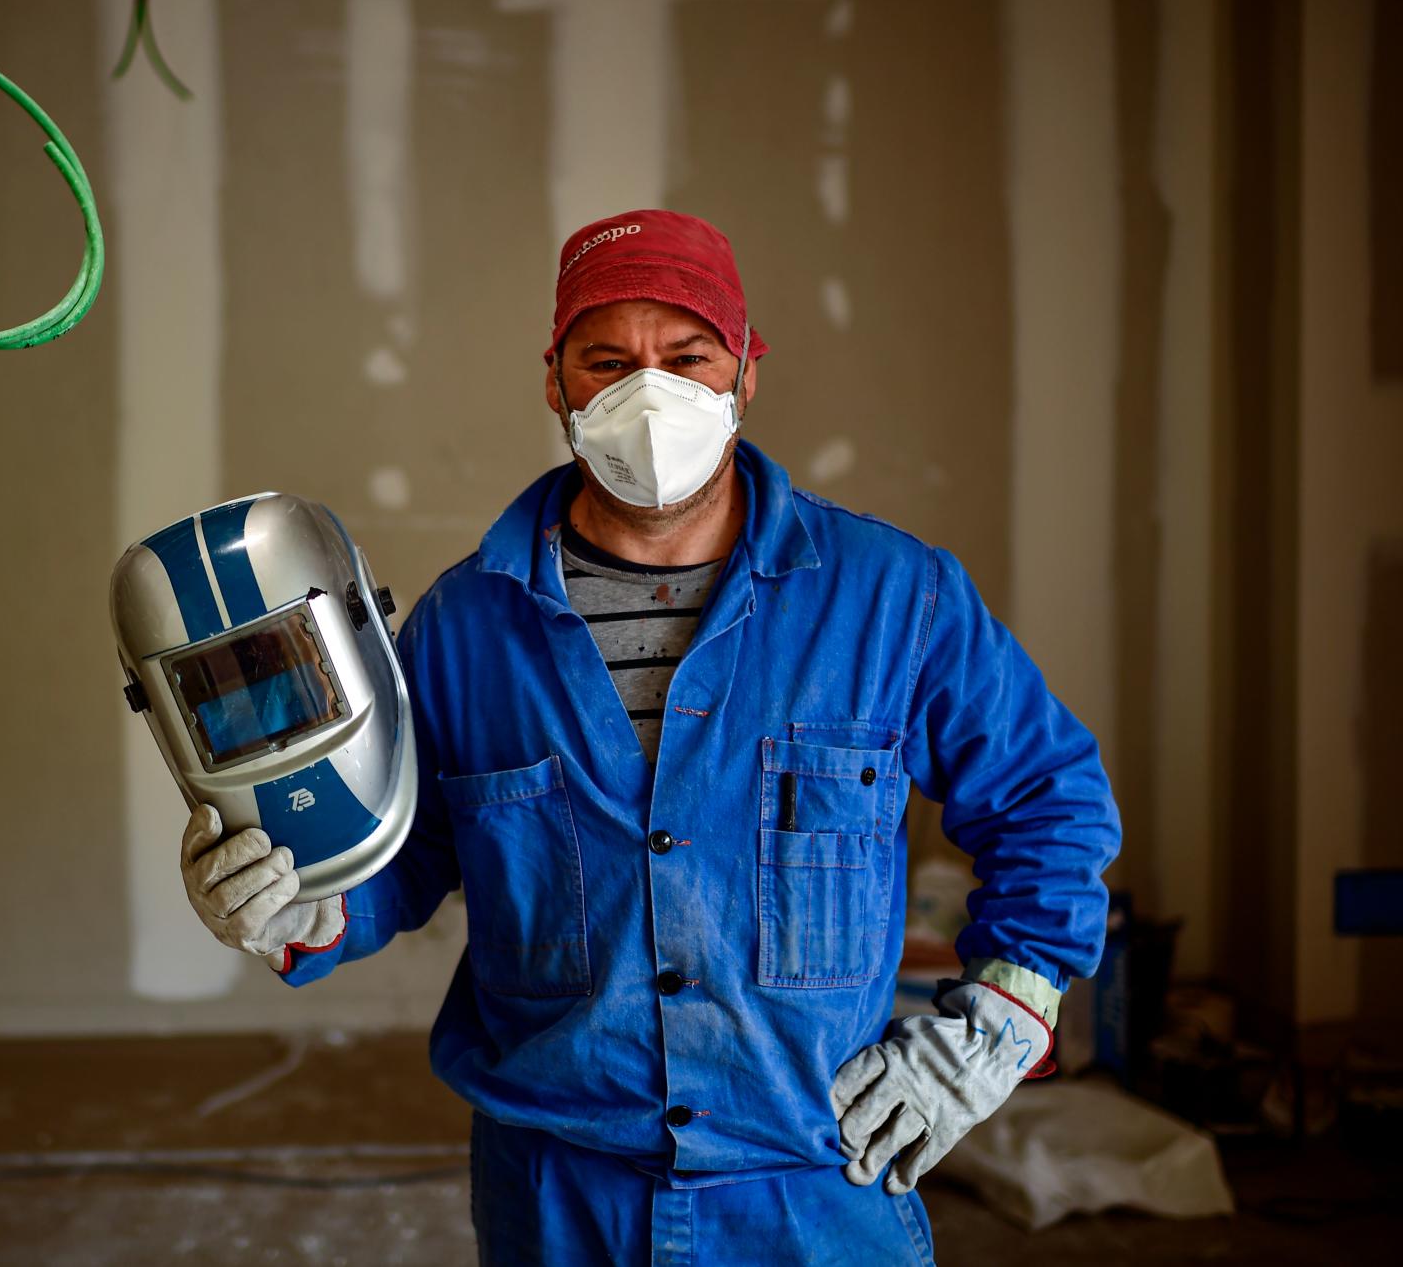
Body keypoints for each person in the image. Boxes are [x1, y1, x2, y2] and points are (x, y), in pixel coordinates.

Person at [179, 208, 1121, 1265]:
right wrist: (297, 905)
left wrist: (999, 1019)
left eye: (685, 357)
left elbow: (1050, 797)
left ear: (743, 372)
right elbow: (407, 857)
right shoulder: (462, 629)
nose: (648, 394)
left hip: (815, 1188)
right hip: (555, 1197)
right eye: (606, 361)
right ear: (555, 381)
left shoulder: (892, 598)